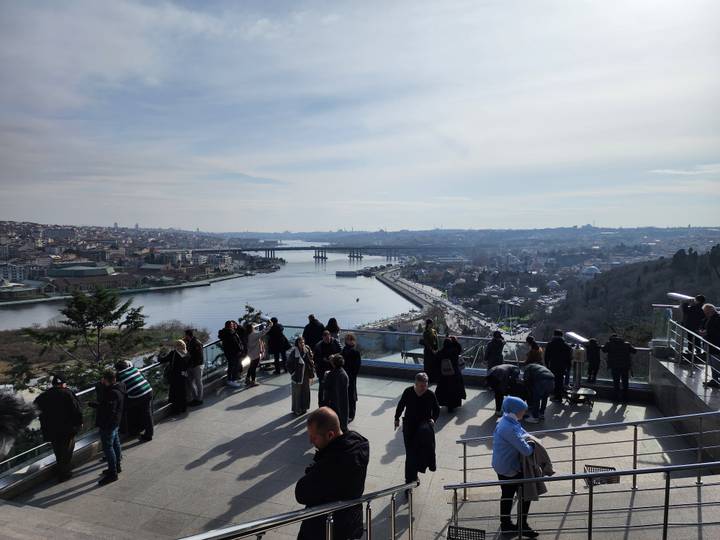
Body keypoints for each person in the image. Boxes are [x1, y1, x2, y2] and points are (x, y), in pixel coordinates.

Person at [295, 407, 369, 540]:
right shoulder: (358, 444)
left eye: (314, 437)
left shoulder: (332, 464)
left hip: (327, 530)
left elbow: (301, 493)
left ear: (330, 435)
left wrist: (315, 468)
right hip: (351, 523)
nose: (310, 441)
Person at [492, 396, 538, 537]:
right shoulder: (509, 428)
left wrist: (528, 437)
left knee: (507, 494)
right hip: (509, 468)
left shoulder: (506, 421)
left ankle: (506, 524)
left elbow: (522, 432)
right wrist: (533, 444)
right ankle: (521, 525)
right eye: (522, 411)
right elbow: (526, 450)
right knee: (526, 494)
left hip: (502, 465)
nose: (524, 413)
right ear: (515, 411)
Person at [34, 373, 83, 482]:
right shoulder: (68, 394)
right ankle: (64, 473)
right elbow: (77, 410)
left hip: (51, 429)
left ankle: (61, 468)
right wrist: (79, 423)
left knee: (58, 449)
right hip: (68, 429)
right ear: (64, 384)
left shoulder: (44, 396)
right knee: (67, 450)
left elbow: (35, 407)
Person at [394, 372, 440, 486]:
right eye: (421, 386)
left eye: (425, 385)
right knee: (410, 455)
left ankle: (414, 476)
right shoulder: (408, 392)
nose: (423, 388)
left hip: (423, 429)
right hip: (409, 426)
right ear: (416, 384)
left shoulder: (430, 394)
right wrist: (396, 418)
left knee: (418, 453)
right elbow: (401, 405)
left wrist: (433, 420)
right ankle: (409, 481)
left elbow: (436, 409)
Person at [91, 370, 125, 486]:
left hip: (108, 424)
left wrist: (97, 405)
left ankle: (113, 473)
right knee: (116, 443)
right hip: (116, 421)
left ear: (105, 380)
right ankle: (117, 466)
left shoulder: (111, 393)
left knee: (108, 447)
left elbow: (107, 408)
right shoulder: (121, 387)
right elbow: (108, 406)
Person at [115, 361, 153, 442]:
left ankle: (125, 430)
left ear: (117, 369)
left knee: (123, 408)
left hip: (137, 396)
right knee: (147, 413)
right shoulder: (134, 369)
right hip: (148, 390)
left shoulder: (119, 375)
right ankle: (149, 434)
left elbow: (117, 386)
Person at [523, 346, 555, 423]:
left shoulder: (528, 366)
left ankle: (535, 417)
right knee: (545, 397)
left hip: (542, 381)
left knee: (536, 398)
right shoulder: (540, 366)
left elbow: (526, 379)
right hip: (552, 380)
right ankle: (541, 414)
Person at [435, 336, 466, 412]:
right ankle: (452, 406)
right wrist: (455, 341)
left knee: (443, 389)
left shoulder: (440, 352)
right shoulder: (455, 351)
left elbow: (436, 362)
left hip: (444, 374)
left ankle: (443, 403)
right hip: (454, 373)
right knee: (454, 389)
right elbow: (459, 348)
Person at [602, 334, 637, 402]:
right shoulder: (626, 344)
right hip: (625, 366)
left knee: (616, 382)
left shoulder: (609, 344)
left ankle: (616, 398)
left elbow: (604, 350)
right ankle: (625, 398)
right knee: (625, 382)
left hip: (614, 366)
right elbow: (634, 351)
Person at [158, 340, 189, 414]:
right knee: (183, 392)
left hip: (175, 376)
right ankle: (183, 408)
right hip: (184, 375)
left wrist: (159, 354)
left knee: (175, 393)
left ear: (177, 346)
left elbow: (162, 360)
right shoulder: (186, 353)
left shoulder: (174, 353)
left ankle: (176, 410)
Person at [287, 336, 315, 415]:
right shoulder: (294, 352)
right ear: (297, 343)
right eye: (300, 342)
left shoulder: (307, 350)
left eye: (303, 342)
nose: (302, 344)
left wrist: (311, 373)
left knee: (306, 391)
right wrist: (293, 373)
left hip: (306, 374)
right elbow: (288, 364)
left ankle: (304, 407)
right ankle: (296, 409)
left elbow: (311, 360)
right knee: (297, 393)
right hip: (297, 375)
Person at [314, 330, 342, 406]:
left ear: (330, 336)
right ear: (322, 338)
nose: (328, 340)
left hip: (333, 368)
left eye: (329, 338)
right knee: (322, 388)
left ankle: (332, 405)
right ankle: (321, 405)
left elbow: (341, 352)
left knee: (333, 388)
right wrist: (323, 359)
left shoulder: (335, 342)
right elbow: (315, 359)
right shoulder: (318, 346)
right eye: (326, 339)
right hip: (322, 370)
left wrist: (334, 356)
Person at [324, 354, 350, 431]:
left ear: (333, 363)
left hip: (333, 401)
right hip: (342, 401)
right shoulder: (343, 373)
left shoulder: (331, 374)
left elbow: (326, 387)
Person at [545, 330, 572, 402]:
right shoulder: (566, 346)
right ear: (562, 336)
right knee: (560, 380)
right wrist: (568, 367)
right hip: (563, 366)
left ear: (554, 335)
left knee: (555, 381)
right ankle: (559, 396)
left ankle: (557, 396)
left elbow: (546, 356)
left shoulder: (550, 344)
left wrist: (547, 365)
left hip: (553, 365)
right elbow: (569, 358)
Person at [245, 320, 273, 386]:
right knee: (253, 368)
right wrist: (270, 325)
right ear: (251, 328)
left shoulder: (247, 334)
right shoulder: (253, 335)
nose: (254, 328)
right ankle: (253, 381)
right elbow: (263, 332)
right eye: (253, 327)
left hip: (250, 353)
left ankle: (247, 378)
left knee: (251, 366)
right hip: (255, 354)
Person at [342, 333, 362, 421]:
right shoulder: (345, 350)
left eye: (351, 339)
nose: (349, 341)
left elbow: (357, 367)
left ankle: (351, 414)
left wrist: (352, 375)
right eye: (348, 339)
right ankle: (348, 413)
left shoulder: (354, 352)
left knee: (351, 395)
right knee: (348, 395)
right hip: (346, 375)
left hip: (350, 376)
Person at [218, 320, 244, 388]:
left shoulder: (227, 332)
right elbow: (234, 343)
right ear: (229, 326)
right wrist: (240, 349)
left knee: (232, 366)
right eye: (232, 325)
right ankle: (232, 380)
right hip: (233, 353)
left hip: (230, 352)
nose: (233, 326)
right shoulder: (230, 333)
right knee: (234, 366)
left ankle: (232, 380)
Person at [701, 303, 720, 388]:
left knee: (715, 363)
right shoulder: (712, 318)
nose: (705, 314)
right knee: (712, 363)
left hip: (715, 345)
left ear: (711, 310)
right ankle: (715, 379)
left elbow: (715, 331)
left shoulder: (717, 318)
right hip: (711, 344)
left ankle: (716, 380)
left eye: (706, 312)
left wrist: (706, 333)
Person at [184, 329, 205, 405]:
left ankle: (199, 399)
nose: (184, 337)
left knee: (198, 382)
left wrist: (192, 363)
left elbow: (199, 356)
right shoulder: (190, 342)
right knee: (190, 382)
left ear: (187, 335)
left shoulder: (196, 343)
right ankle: (195, 398)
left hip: (197, 366)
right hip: (192, 365)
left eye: (185, 335)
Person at [422, 319, 439, 384]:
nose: (432, 324)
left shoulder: (434, 331)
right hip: (428, 351)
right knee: (428, 366)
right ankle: (427, 379)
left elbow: (436, 341)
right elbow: (426, 343)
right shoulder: (425, 332)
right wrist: (432, 350)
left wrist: (437, 349)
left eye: (432, 323)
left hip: (434, 350)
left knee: (433, 365)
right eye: (431, 323)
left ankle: (433, 379)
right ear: (428, 324)